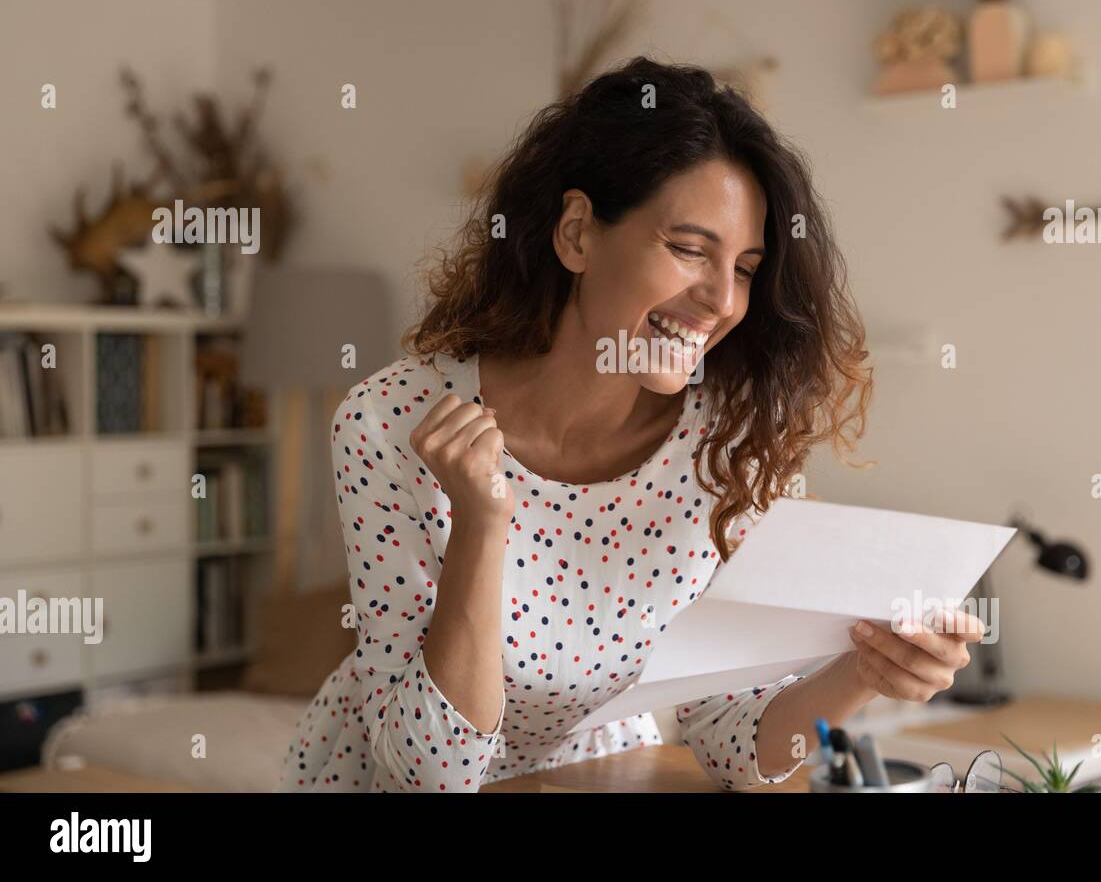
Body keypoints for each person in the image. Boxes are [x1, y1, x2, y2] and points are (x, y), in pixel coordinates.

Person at [276, 56, 982, 793]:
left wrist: (864, 670)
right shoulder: (390, 423)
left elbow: (738, 747)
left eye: (743, 267)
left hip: (604, 774)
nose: (719, 300)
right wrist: (482, 524)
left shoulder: (734, 446)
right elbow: (433, 773)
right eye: (687, 249)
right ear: (577, 233)